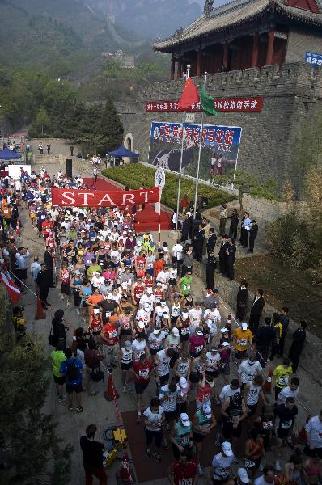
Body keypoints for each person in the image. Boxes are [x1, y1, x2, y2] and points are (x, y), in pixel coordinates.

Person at [61, 348, 84, 413]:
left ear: (65, 355)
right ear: (72, 354)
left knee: (70, 393)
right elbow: (81, 369)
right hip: (78, 381)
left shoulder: (64, 363)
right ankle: (79, 406)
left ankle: (71, 406)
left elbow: (62, 373)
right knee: (78, 393)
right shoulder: (77, 360)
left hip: (69, 382)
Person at [143, 397, 165, 461]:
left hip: (158, 430)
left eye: (157, 406)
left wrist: (161, 421)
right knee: (149, 441)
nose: (157, 408)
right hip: (149, 430)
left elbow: (163, 417)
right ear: (151, 406)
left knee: (158, 442)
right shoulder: (147, 412)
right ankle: (148, 449)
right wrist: (150, 424)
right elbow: (145, 421)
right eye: (155, 407)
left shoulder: (161, 409)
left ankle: (156, 452)